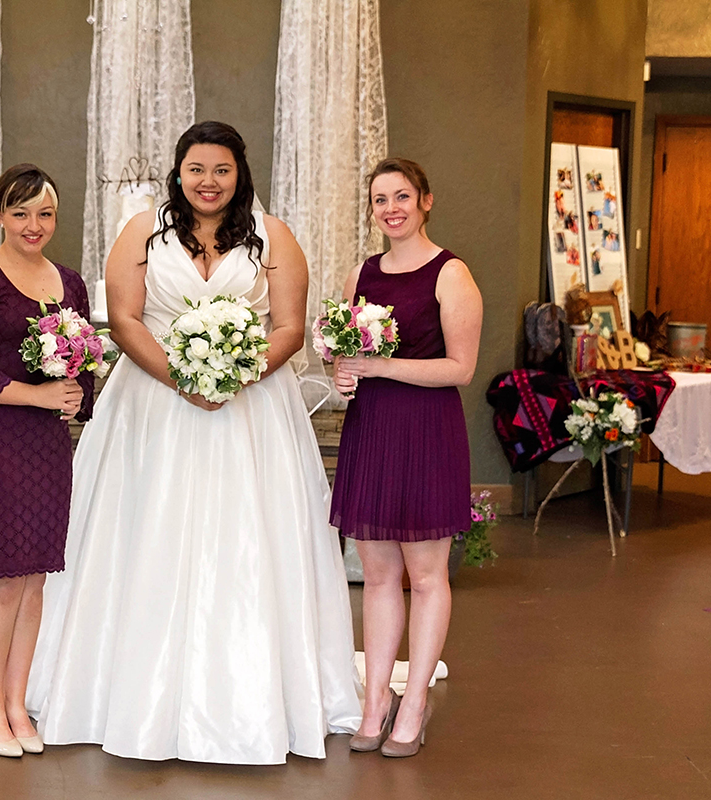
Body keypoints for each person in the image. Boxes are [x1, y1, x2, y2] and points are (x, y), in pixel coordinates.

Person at [26, 121, 361, 764]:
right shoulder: (140, 232)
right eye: (196, 169)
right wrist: (183, 378)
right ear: (177, 171)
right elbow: (123, 318)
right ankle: (120, 691)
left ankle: (250, 696)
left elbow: (289, 327)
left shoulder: (275, 237)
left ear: (241, 174)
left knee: (248, 538)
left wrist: (234, 375)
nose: (208, 183)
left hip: (251, 410)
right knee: (143, 531)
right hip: (151, 404)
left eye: (222, 171)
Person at [331, 157, 482, 758]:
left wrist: (378, 366)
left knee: (426, 575)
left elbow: (461, 369)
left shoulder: (451, 274)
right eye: (379, 200)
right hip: (372, 431)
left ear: (425, 201)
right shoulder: (360, 274)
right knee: (379, 576)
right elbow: (342, 354)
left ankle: (413, 703)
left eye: (401, 196)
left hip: (426, 433)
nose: (390, 208)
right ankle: (375, 702)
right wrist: (342, 373)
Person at [0, 164, 94, 758]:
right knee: (4, 581)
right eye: (21, 213)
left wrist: (79, 388)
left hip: (47, 446)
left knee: (35, 581)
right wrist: (35, 394)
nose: (33, 226)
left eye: (45, 214)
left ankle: (16, 702)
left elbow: (83, 360)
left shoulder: (71, 282)